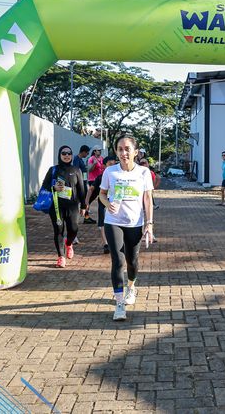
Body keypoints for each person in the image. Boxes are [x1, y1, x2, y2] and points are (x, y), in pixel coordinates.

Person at [99, 135, 154, 321]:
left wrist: (149, 224)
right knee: (118, 261)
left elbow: (148, 199)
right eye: (120, 149)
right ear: (116, 152)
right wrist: (108, 204)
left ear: (135, 152)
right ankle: (119, 303)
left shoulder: (144, 173)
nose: (124, 153)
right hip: (113, 221)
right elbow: (101, 194)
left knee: (132, 261)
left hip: (134, 223)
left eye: (127, 149)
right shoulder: (110, 172)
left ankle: (131, 287)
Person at [41, 145, 86, 268]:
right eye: (64, 153)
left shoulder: (76, 170)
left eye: (69, 153)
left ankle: (69, 243)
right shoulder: (53, 170)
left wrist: (83, 206)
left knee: (73, 229)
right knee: (58, 230)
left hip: (72, 206)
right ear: (59, 155)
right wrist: (53, 187)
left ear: (71, 155)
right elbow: (44, 185)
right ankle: (61, 257)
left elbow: (81, 189)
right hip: (56, 207)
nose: (66, 155)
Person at [96, 154, 117, 254]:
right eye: (110, 164)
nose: (112, 166)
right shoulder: (101, 177)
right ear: (104, 166)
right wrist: (86, 203)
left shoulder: (119, 176)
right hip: (102, 203)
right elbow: (92, 190)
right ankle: (106, 244)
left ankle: (114, 242)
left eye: (114, 164)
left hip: (115, 204)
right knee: (103, 223)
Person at [73, 145, 95, 224]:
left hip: (84, 182)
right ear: (83, 152)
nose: (87, 154)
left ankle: (86, 217)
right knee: (79, 201)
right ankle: (75, 217)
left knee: (85, 201)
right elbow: (76, 171)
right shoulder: (76, 159)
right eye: (87, 153)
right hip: (80, 183)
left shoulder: (81, 160)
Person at [86, 145, 105, 217]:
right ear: (94, 151)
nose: (100, 152)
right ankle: (86, 214)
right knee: (90, 198)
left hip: (100, 180)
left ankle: (101, 217)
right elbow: (89, 170)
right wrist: (94, 163)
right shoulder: (91, 159)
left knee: (100, 198)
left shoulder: (102, 158)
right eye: (98, 150)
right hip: (93, 180)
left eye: (100, 150)